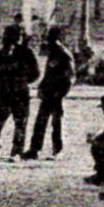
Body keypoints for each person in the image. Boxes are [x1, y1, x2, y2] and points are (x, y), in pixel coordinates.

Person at [0, 24, 39, 161]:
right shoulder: (2, 53)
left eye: (13, 35)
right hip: (4, 93)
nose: (9, 38)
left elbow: (35, 73)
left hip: (20, 93)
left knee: (20, 124)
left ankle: (16, 152)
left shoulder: (27, 53)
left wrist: (22, 81)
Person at [28, 25, 75, 159]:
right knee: (41, 121)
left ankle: (58, 150)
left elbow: (70, 76)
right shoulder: (53, 52)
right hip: (48, 92)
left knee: (57, 122)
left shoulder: (63, 54)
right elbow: (48, 74)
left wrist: (61, 93)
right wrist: (41, 88)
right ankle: (34, 149)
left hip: (57, 93)